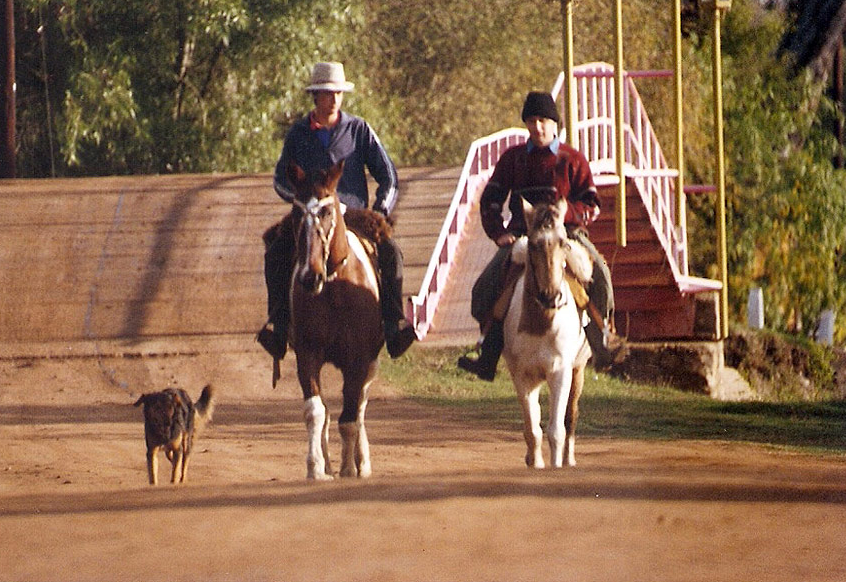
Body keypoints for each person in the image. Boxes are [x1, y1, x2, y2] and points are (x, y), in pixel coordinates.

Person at [256, 61, 418, 361]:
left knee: (391, 252)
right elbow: (280, 178)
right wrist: (304, 201)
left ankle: (392, 327)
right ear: (315, 96)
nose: (333, 100)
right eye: (327, 93)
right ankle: (278, 327)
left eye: (338, 94)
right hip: (307, 214)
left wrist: (381, 209)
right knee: (276, 251)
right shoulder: (297, 134)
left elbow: (389, 175)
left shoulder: (358, 129)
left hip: (353, 215)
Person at [456, 91, 615, 381]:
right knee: (485, 285)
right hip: (523, 235)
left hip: (567, 236)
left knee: (601, 273)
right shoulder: (512, 159)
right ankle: (487, 352)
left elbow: (592, 205)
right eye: (531, 121)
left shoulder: (573, 159)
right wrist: (499, 233)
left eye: (542, 120)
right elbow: (490, 199)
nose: (537, 127)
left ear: (555, 123)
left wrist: (564, 215)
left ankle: (601, 340)